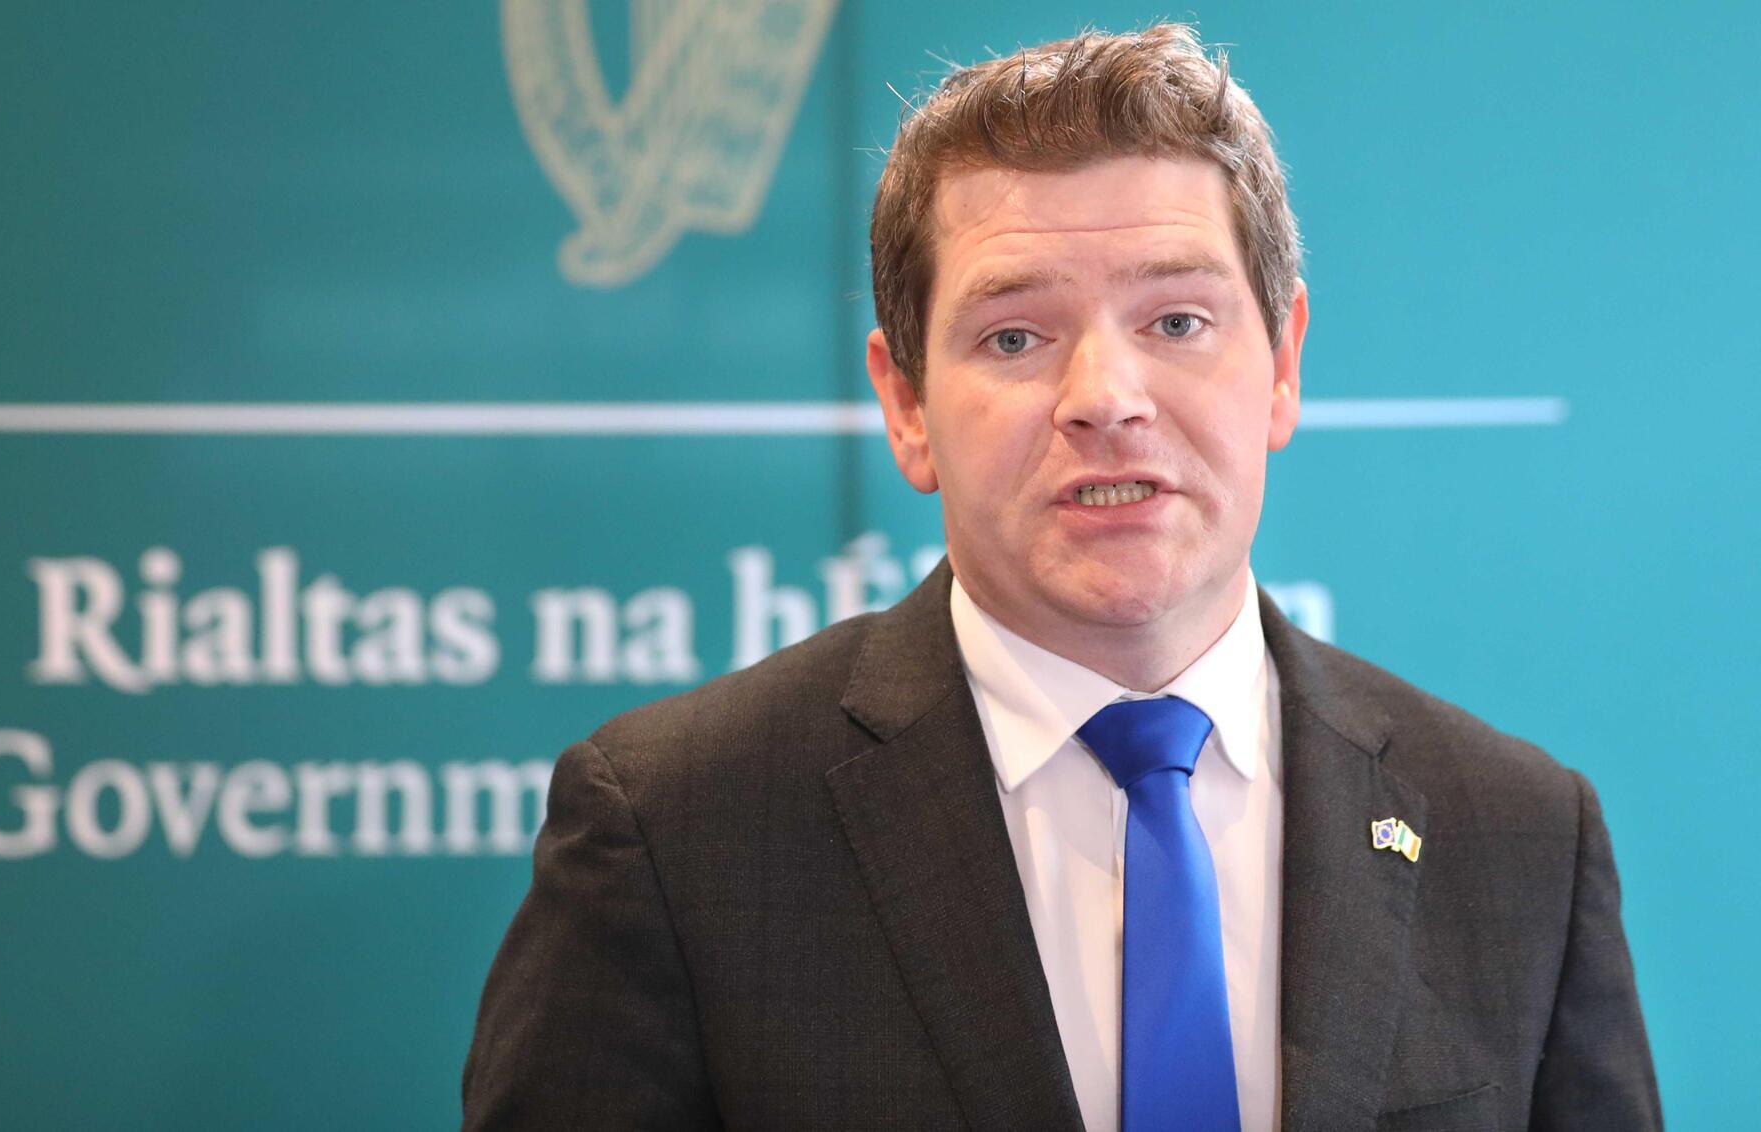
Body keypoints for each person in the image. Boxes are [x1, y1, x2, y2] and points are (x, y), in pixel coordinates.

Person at [462, 23, 1659, 1131]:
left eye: (1176, 321)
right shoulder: (676, 831)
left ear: (1283, 363)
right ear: (905, 404)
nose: (1104, 397)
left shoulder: (1515, 833)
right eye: (1014, 336)